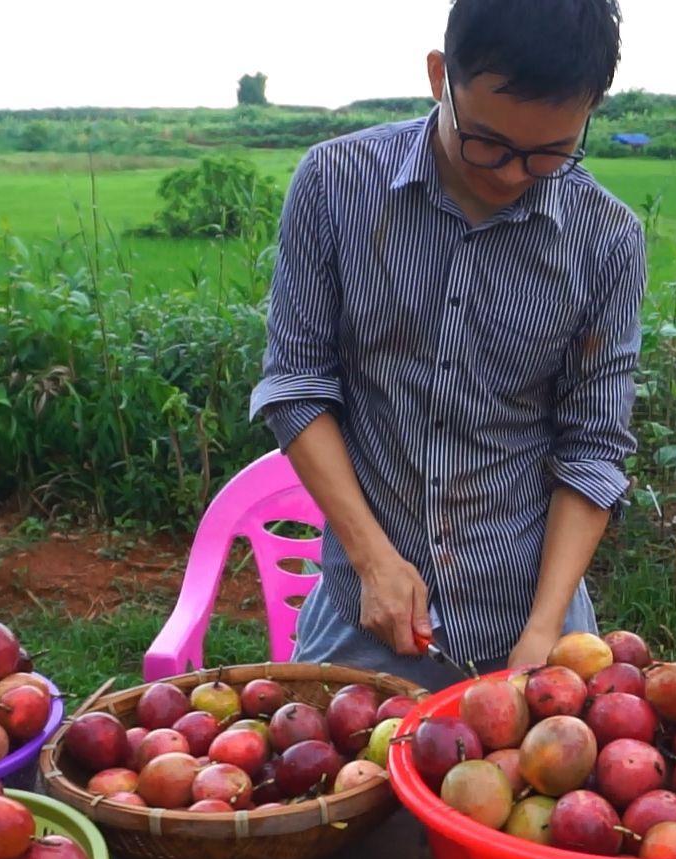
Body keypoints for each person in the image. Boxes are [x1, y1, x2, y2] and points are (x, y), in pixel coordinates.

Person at [248, 0, 646, 691]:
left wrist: (544, 632)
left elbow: (591, 450)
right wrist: (373, 560)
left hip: (535, 620)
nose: (513, 174)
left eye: (551, 152)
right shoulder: (336, 185)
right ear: (440, 77)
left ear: (592, 107)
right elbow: (298, 386)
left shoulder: (605, 239)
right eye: (488, 143)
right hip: (361, 616)